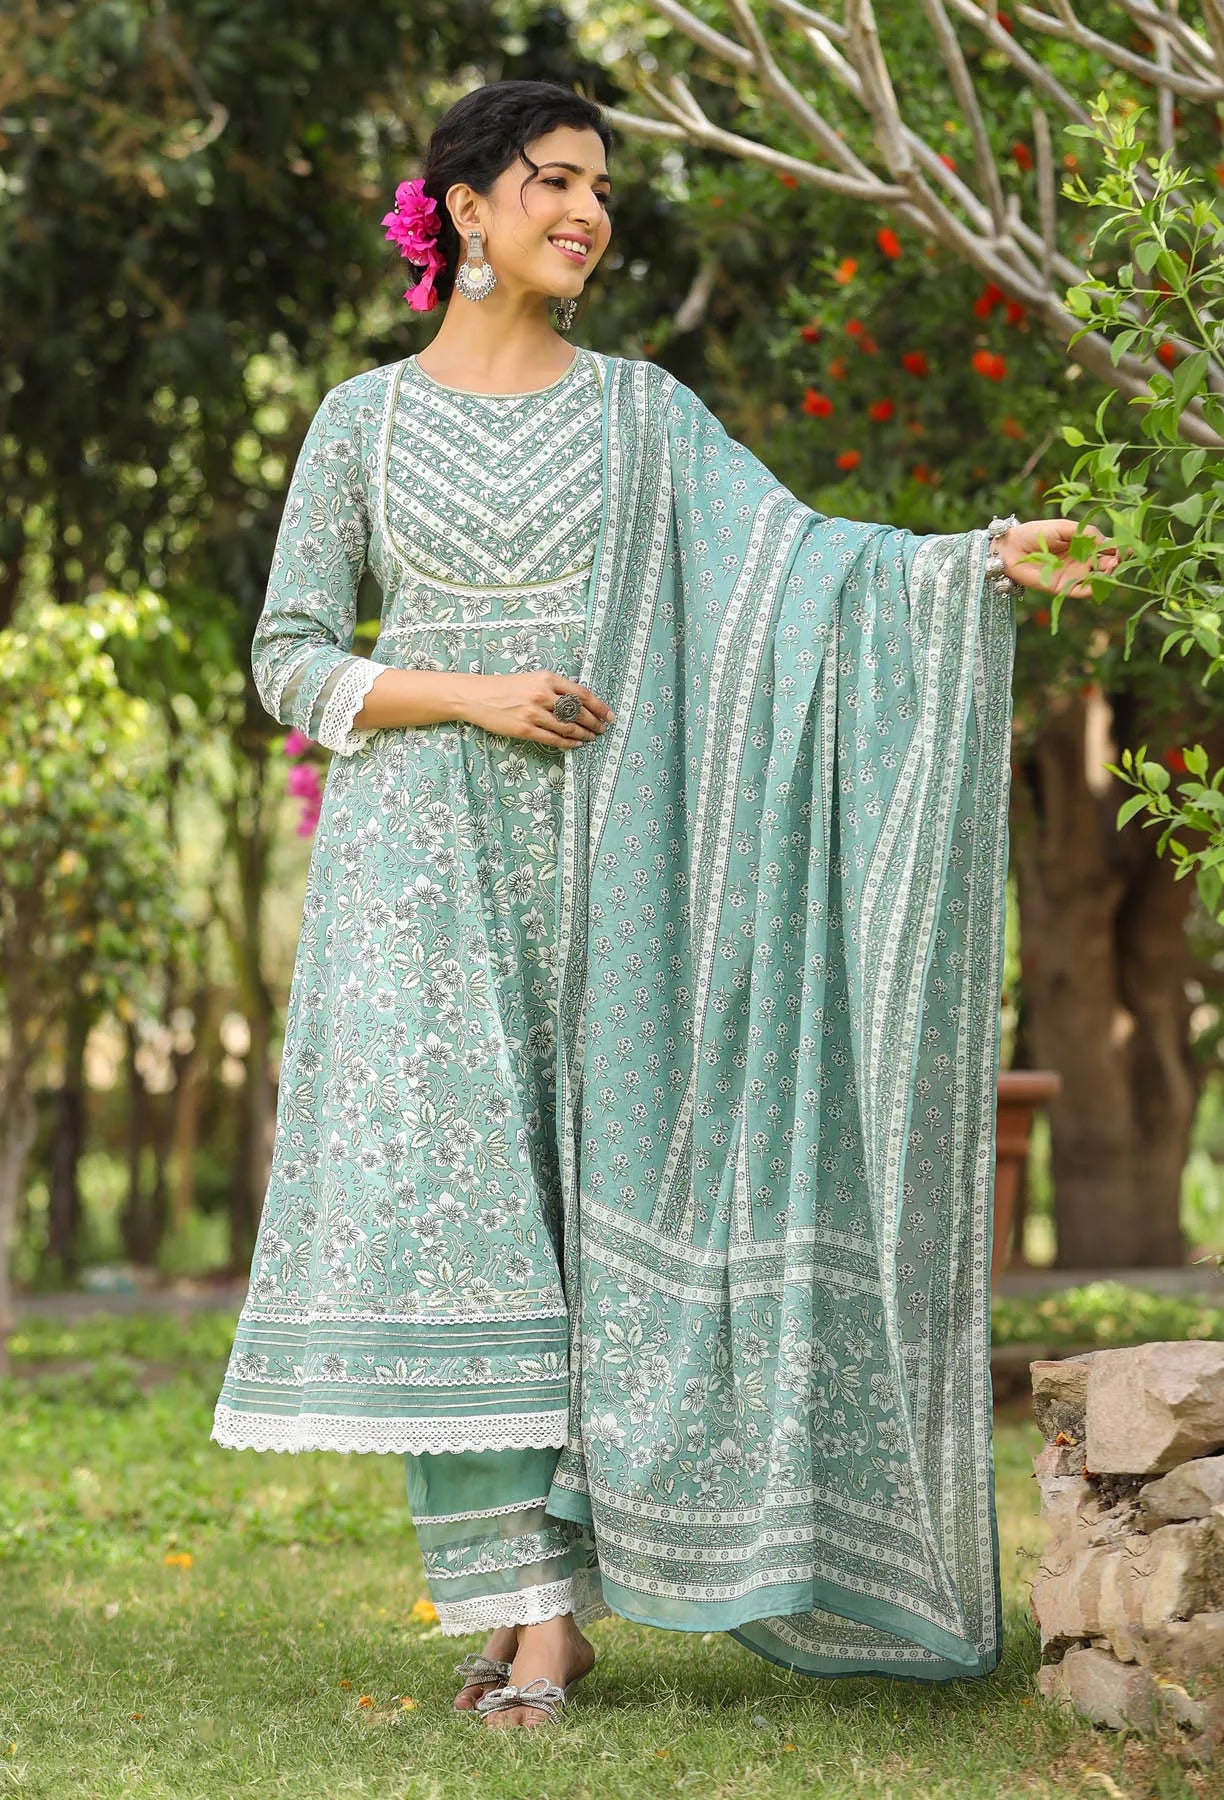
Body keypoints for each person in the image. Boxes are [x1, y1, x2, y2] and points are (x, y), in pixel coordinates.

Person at [211, 79, 1116, 1729]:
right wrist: (469, 697)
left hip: (627, 873)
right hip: (419, 876)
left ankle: (577, 1589)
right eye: (552, 182)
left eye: (600, 189)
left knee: (596, 1222)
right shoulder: (361, 421)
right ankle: (526, 1612)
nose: (587, 213)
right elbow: (289, 660)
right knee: (461, 1239)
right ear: (463, 211)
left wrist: (976, 562)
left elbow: (797, 570)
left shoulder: (644, 413)